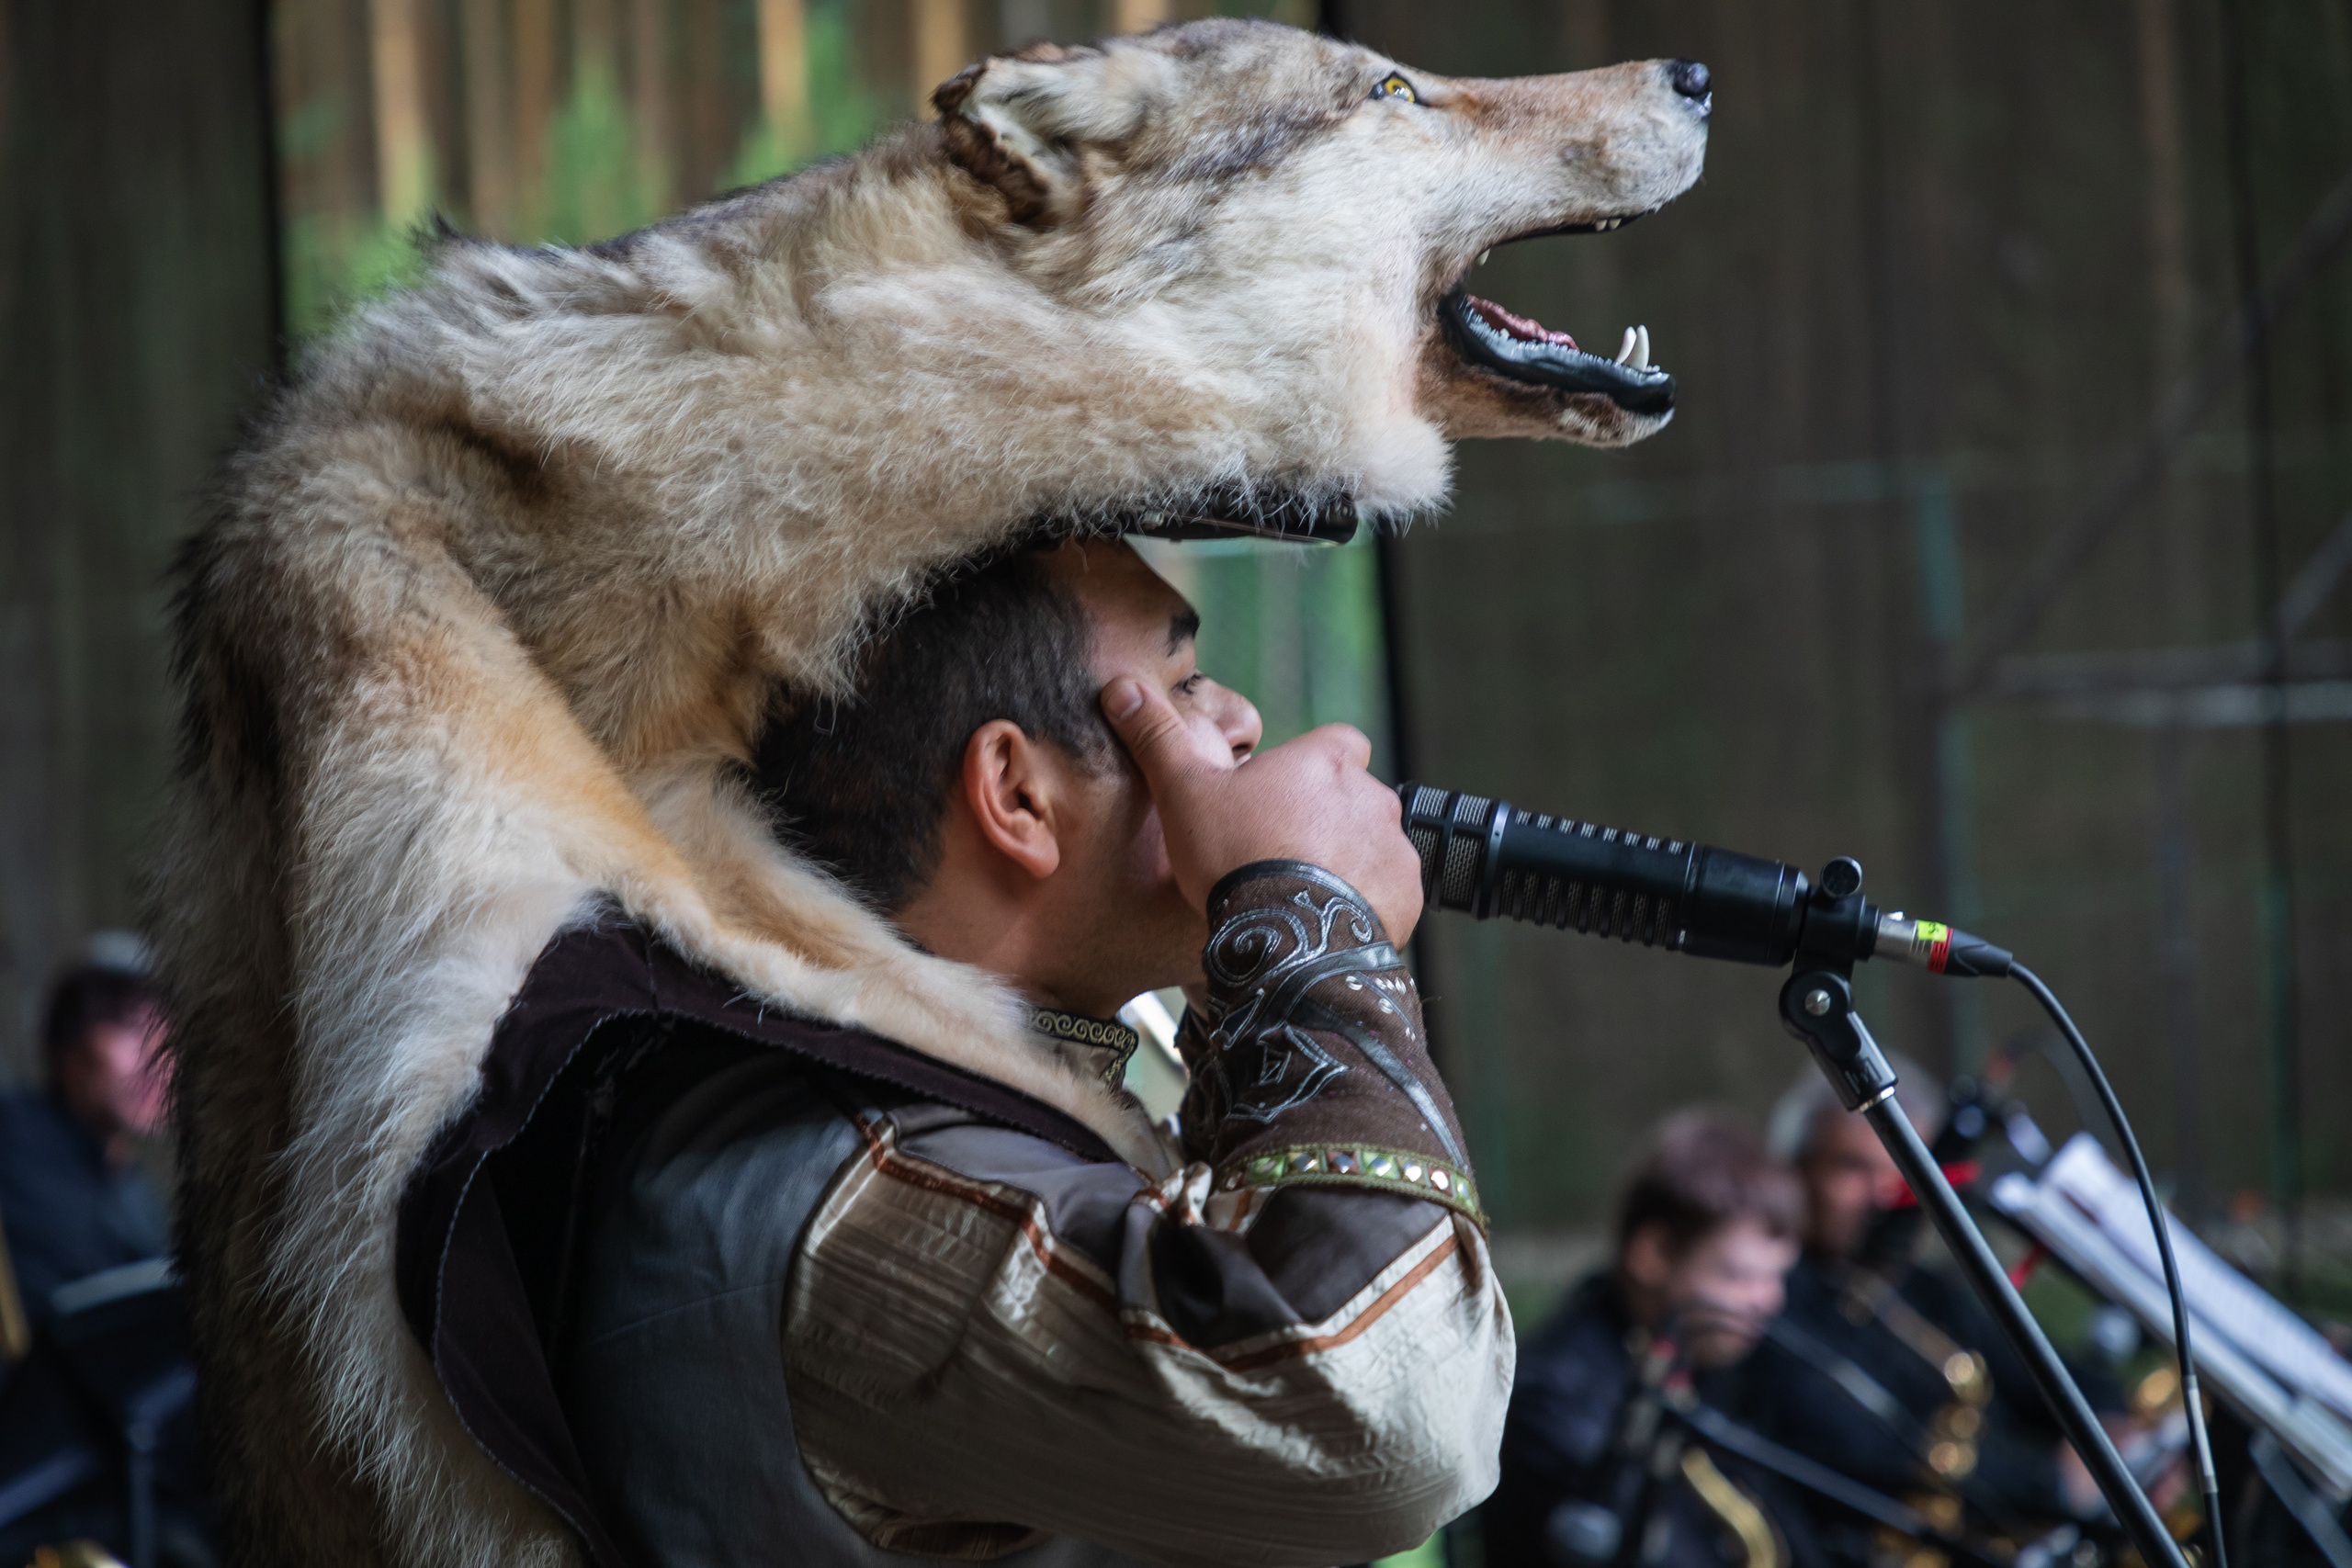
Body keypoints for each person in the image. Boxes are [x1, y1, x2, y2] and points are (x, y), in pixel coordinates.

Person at [398, 537, 1511, 1567]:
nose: (1242, 722)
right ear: (1017, 796)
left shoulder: (896, 1089)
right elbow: (1382, 1407)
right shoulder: (841, 1188)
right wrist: (1306, 915)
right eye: (1180, 689)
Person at [1746, 1066, 2139, 1562]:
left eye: (1904, 1170)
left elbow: (2049, 1375)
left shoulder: (1928, 1291)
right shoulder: (1768, 1308)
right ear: (1794, 1175)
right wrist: (2054, 1482)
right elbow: (1871, 1453)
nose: (1886, 1194)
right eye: (1852, 1168)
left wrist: (2114, 1423)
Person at [1485, 1110, 1819, 1568]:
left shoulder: (1707, 1360)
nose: (1767, 1301)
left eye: (1776, 1276)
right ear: (1652, 1254)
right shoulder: (1554, 1402)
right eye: (1739, 1276)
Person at [0, 952, 172, 1329]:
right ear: (70, 1052)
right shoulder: (14, 1139)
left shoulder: (138, 1199)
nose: (157, 1057)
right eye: (131, 1028)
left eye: (166, 1035)